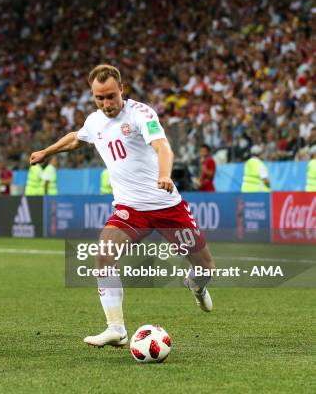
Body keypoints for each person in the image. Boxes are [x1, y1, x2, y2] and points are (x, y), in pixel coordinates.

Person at [30, 64, 215, 348]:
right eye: (99, 98)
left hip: (167, 206)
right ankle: (116, 328)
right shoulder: (94, 121)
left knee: (205, 266)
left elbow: (163, 146)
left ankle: (196, 285)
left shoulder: (141, 114)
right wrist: (47, 151)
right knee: (103, 254)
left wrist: (164, 174)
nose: (106, 104)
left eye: (111, 96)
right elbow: (77, 138)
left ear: (122, 90)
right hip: (130, 209)